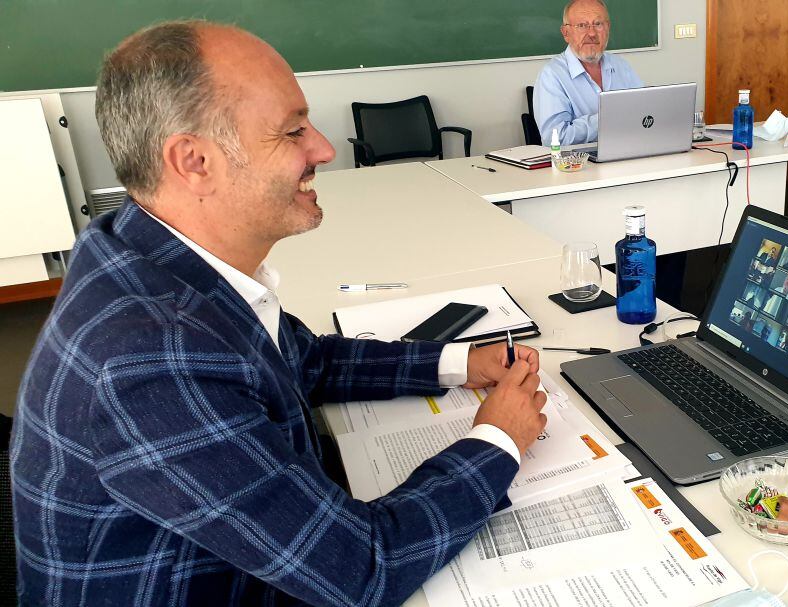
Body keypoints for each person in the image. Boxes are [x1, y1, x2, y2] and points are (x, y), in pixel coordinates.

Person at [11, 21, 548, 606]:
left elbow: (304, 360)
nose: (324, 149)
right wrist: (500, 439)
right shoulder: (149, 354)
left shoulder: (155, 253)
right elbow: (360, 570)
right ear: (194, 161)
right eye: (293, 132)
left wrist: (458, 363)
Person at [533, 0, 643, 145]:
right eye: (582, 25)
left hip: (628, 152)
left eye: (598, 24)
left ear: (607, 28)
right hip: (581, 164)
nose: (591, 33)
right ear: (566, 33)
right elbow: (554, 138)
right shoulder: (552, 75)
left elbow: (643, 112)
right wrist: (607, 119)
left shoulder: (622, 66)